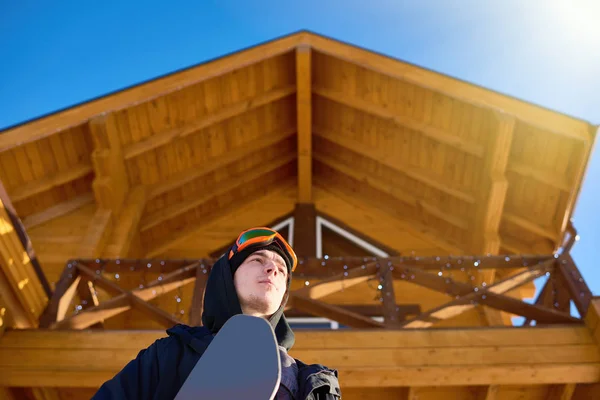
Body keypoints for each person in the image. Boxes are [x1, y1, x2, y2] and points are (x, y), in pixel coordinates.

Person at [92, 227, 342, 399]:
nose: (272, 270)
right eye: (257, 260)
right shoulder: (170, 353)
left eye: (281, 270)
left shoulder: (315, 383)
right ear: (226, 277)